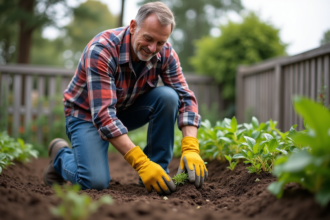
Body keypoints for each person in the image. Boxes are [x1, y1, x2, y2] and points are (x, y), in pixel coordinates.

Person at [43, 1, 207, 195]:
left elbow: (185, 97)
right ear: (132, 26)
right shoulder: (102, 49)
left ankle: (157, 173)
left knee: (169, 97)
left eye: (161, 42)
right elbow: (104, 116)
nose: (153, 48)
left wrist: (191, 147)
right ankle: (61, 156)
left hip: (124, 109)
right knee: (94, 182)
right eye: (148, 38)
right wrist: (141, 163)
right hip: (86, 115)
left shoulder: (166, 54)